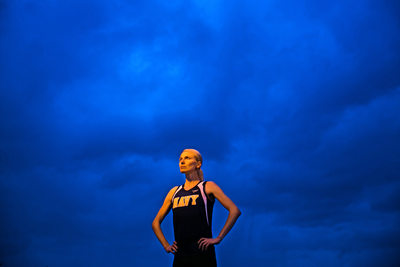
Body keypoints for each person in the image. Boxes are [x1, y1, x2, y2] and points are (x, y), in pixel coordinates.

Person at [152, 148, 241, 267]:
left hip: (202, 253)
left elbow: (235, 211)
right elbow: (155, 223)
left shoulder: (207, 187)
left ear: (198, 164)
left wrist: (218, 238)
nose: (182, 162)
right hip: (180, 255)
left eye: (187, 158)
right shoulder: (174, 192)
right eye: (180, 159)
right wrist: (166, 246)